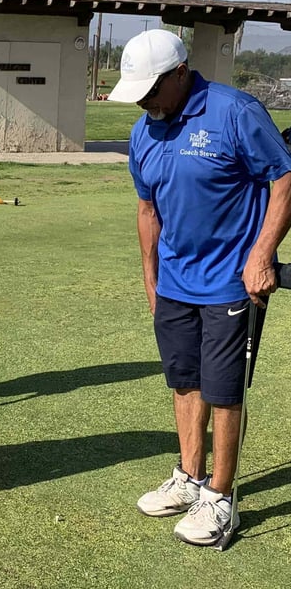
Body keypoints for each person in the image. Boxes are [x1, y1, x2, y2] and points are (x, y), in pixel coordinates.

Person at [108, 29, 291, 547]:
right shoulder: (144, 131)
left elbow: (285, 178)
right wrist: (150, 277)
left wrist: (261, 254)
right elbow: (147, 209)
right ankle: (190, 477)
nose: (144, 102)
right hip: (174, 283)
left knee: (223, 392)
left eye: (151, 90)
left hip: (232, 283)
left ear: (180, 73)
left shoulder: (235, 111)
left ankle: (220, 496)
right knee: (184, 382)